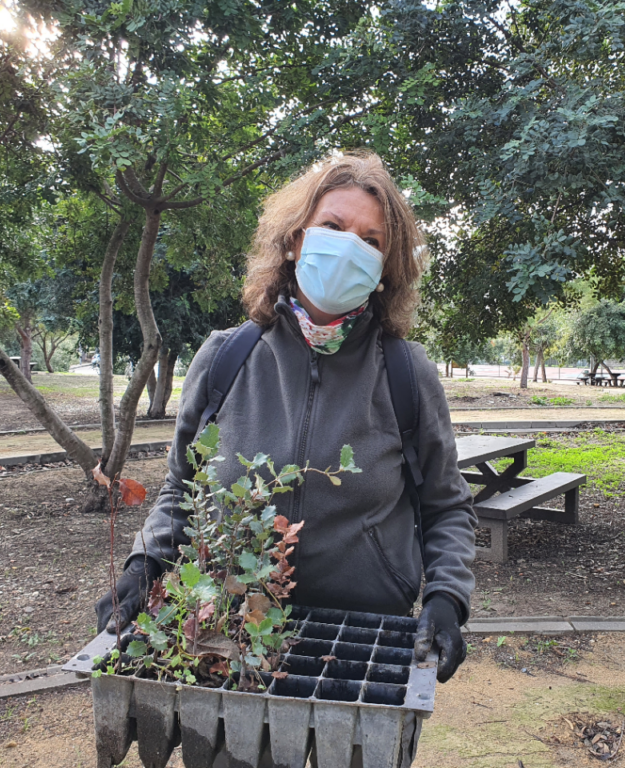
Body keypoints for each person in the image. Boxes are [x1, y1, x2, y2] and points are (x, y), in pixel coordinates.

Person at [95, 151, 476, 714]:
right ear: (295, 239)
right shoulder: (226, 358)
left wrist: (446, 599)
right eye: (333, 227)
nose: (350, 247)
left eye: (371, 240)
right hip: (227, 637)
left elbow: (447, 508)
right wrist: (143, 565)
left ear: (386, 267)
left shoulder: (406, 372)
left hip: (361, 644)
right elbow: (182, 490)